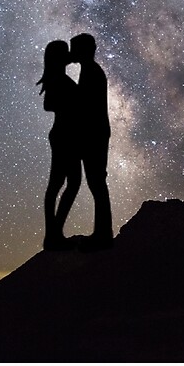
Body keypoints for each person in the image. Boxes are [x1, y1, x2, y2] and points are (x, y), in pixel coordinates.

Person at [36, 39, 82, 250]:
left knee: (69, 183)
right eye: (65, 52)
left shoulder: (61, 78)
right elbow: (48, 105)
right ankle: (52, 234)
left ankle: (55, 232)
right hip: (63, 134)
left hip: (67, 134)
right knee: (59, 184)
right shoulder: (57, 79)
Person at [69, 32, 113, 246]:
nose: (70, 53)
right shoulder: (89, 71)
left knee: (96, 183)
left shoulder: (91, 72)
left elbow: (84, 107)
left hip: (94, 135)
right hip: (94, 133)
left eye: (74, 48)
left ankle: (103, 234)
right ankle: (102, 232)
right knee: (96, 183)